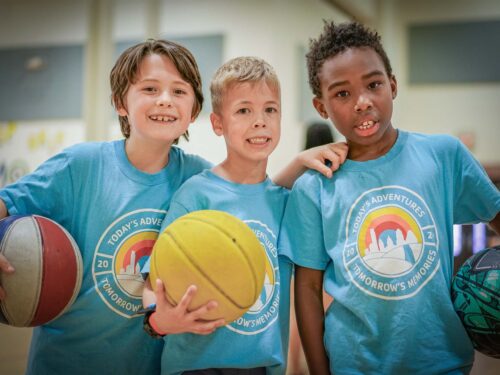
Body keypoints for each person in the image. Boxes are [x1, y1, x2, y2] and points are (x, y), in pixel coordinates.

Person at [279, 21, 500, 375]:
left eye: (374, 84)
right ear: (321, 106)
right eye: (342, 94)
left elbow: (496, 212)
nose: (362, 102)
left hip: (442, 362)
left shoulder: (444, 155)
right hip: (354, 365)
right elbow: (307, 288)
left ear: (392, 85)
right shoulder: (315, 187)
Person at [141, 56, 348, 375]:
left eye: (270, 109)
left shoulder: (288, 202)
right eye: (243, 110)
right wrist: (158, 320)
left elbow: (263, 197)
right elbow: (154, 280)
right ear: (217, 124)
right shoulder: (197, 194)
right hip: (196, 366)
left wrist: (299, 163)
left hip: (261, 367)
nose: (260, 121)